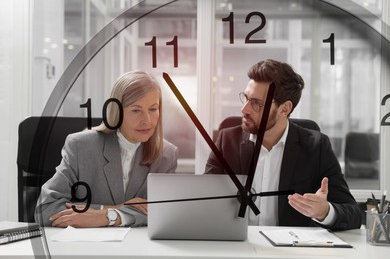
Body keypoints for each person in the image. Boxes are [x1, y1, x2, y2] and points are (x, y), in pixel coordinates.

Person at [205, 59, 361, 230]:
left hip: (291, 251)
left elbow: (352, 213)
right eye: (246, 98)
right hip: (237, 245)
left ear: (285, 109)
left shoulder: (317, 147)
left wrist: (325, 211)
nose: (245, 109)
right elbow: (201, 200)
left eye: (256, 103)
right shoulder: (226, 141)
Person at [35, 71, 178, 227]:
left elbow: (165, 213)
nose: (147, 120)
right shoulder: (81, 146)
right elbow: (46, 209)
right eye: (136, 110)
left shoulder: (166, 154)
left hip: (139, 247)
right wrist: (113, 209)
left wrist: (107, 216)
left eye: (153, 109)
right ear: (117, 111)